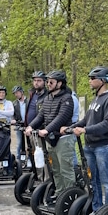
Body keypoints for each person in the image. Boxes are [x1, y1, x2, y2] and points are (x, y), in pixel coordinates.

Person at [65, 66, 108, 211]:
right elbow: (86, 120)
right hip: (90, 146)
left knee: (106, 182)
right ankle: (97, 210)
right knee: (92, 180)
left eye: (92, 78)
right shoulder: (96, 99)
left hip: (103, 146)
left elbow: (107, 124)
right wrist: (69, 127)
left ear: (102, 80)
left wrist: (85, 130)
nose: (89, 81)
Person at [25, 70, 75, 198]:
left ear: (60, 83)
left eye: (51, 82)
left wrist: (47, 129)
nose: (48, 84)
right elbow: (41, 115)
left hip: (63, 138)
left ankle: (69, 196)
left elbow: (62, 117)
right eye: (47, 82)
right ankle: (59, 193)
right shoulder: (48, 98)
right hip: (50, 139)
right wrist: (31, 126)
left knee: (66, 170)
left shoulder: (67, 98)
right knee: (55, 170)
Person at [11, 85, 28, 160]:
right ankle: (18, 159)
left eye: (17, 93)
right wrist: (13, 120)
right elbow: (11, 114)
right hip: (18, 124)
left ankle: (31, 159)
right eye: (15, 93)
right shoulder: (14, 103)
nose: (16, 94)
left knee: (30, 143)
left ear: (22, 92)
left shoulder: (29, 101)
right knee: (19, 143)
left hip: (28, 125)